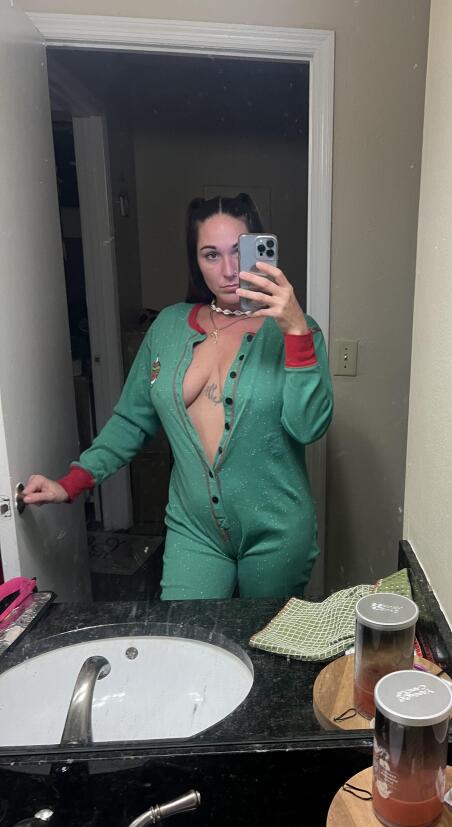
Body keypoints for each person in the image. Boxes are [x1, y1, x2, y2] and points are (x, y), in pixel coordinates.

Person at [23, 194, 333, 600]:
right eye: (211, 254)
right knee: (185, 634)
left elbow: (309, 427)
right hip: (193, 530)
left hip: (277, 531)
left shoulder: (299, 331)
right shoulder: (167, 327)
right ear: (195, 260)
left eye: (238, 251)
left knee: (266, 637)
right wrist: (72, 483)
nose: (228, 270)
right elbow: (132, 420)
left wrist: (295, 330)